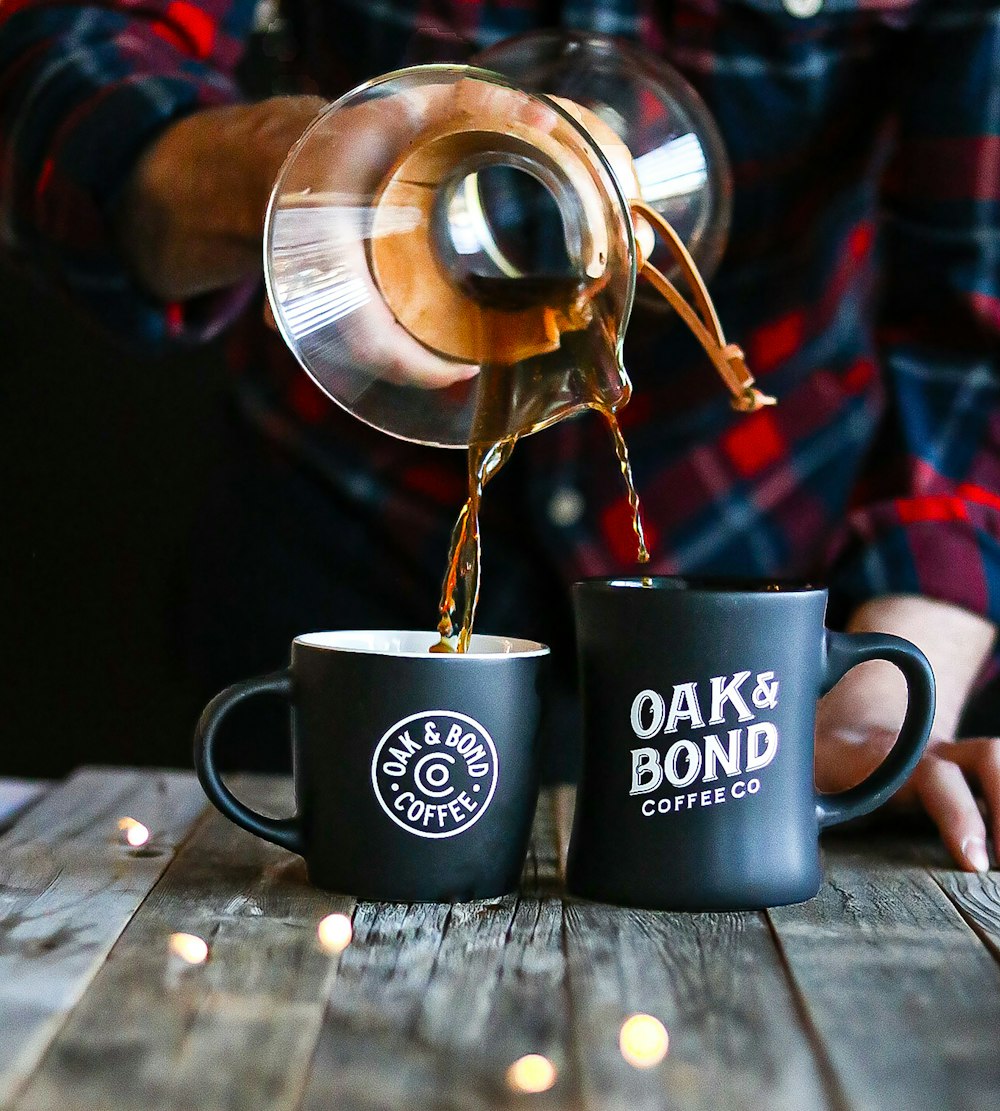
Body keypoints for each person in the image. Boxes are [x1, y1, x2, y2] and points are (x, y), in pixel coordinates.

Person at [0, 0, 997, 872]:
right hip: (343, 537)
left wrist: (876, 696)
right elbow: (72, 48)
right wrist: (263, 168)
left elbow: (973, 329)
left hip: (737, 611)